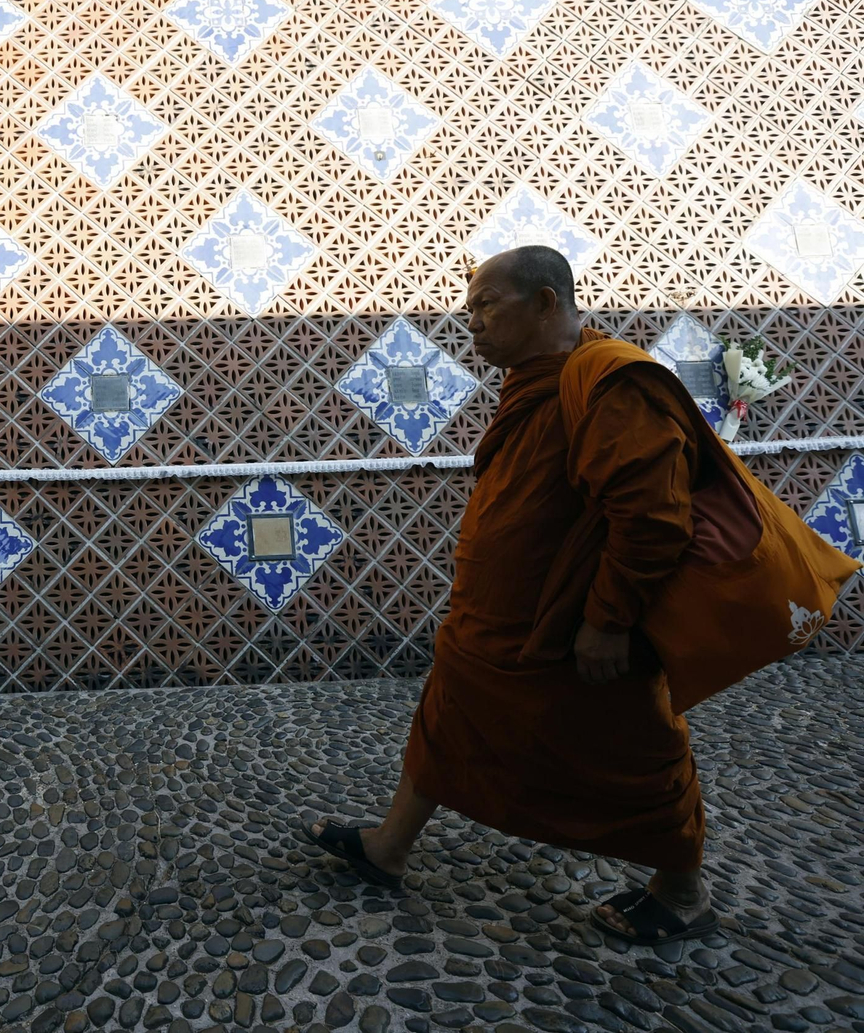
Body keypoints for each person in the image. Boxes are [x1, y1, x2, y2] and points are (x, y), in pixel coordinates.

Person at [303, 245, 719, 944]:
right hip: (495, 623)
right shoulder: (537, 381)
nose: (473, 322)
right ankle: (388, 848)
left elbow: (652, 516)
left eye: (488, 304)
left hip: (573, 628)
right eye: (470, 309)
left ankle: (682, 892)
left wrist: (609, 620)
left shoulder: (611, 382)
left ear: (547, 303)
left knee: (633, 746)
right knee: (447, 718)